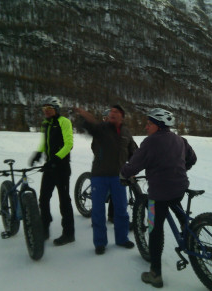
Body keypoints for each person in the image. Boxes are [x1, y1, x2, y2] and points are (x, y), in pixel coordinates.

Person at [120, 108, 197, 288]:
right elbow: (192, 159)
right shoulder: (180, 140)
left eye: (149, 124)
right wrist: (178, 169)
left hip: (158, 194)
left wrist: (123, 174)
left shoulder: (150, 142)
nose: (146, 127)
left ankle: (155, 274)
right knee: (175, 203)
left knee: (154, 230)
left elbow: (134, 166)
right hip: (179, 187)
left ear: (158, 125)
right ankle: (187, 229)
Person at [76, 105, 137, 255]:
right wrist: (85, 117)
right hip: (99, 176)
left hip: (119, 176)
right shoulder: (102, 128)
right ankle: (100, 242)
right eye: (111, 111)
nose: (112, 113)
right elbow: (91, 126)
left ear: (122, 116)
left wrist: (134, 169)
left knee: (121, 210)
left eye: (116, 112)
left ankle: (122, 239)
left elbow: (134, 153)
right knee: (98, 211)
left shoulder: (126, 132)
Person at [29, 97, 75, 246]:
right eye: (44, 109)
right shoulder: (45, 124)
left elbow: (68, 144)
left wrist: (55, 159)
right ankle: (45, 227)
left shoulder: (64, 122)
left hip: (61, 167)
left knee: (64, 200)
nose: (46, 111)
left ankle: (68, 234)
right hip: (50, 167)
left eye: (49, 108)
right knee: (43, 199)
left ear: (56, 109)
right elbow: (44, 143)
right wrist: (38, 153)